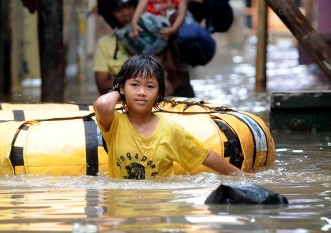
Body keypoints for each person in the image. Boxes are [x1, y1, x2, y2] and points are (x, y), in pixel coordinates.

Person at [93, 55, 253, 179]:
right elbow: (102, 105)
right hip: (122, 210)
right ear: (123, 87)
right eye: (134, 85)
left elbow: (204, 155)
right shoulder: (114, 124)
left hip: (159, 210)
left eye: (150, 86)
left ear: (158, 92)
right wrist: (118, 88)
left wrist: (240, 175)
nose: (142, 92)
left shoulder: (170, 130)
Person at [94, 0, 192, 97]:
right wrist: (136, 86)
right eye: (118, 9)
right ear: (110, 14)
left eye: (129, 6)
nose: (126, 12)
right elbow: (102, 84)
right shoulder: (105, 44)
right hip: (125, 104)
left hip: (167, 100)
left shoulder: (157, 32)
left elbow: (179, 76)